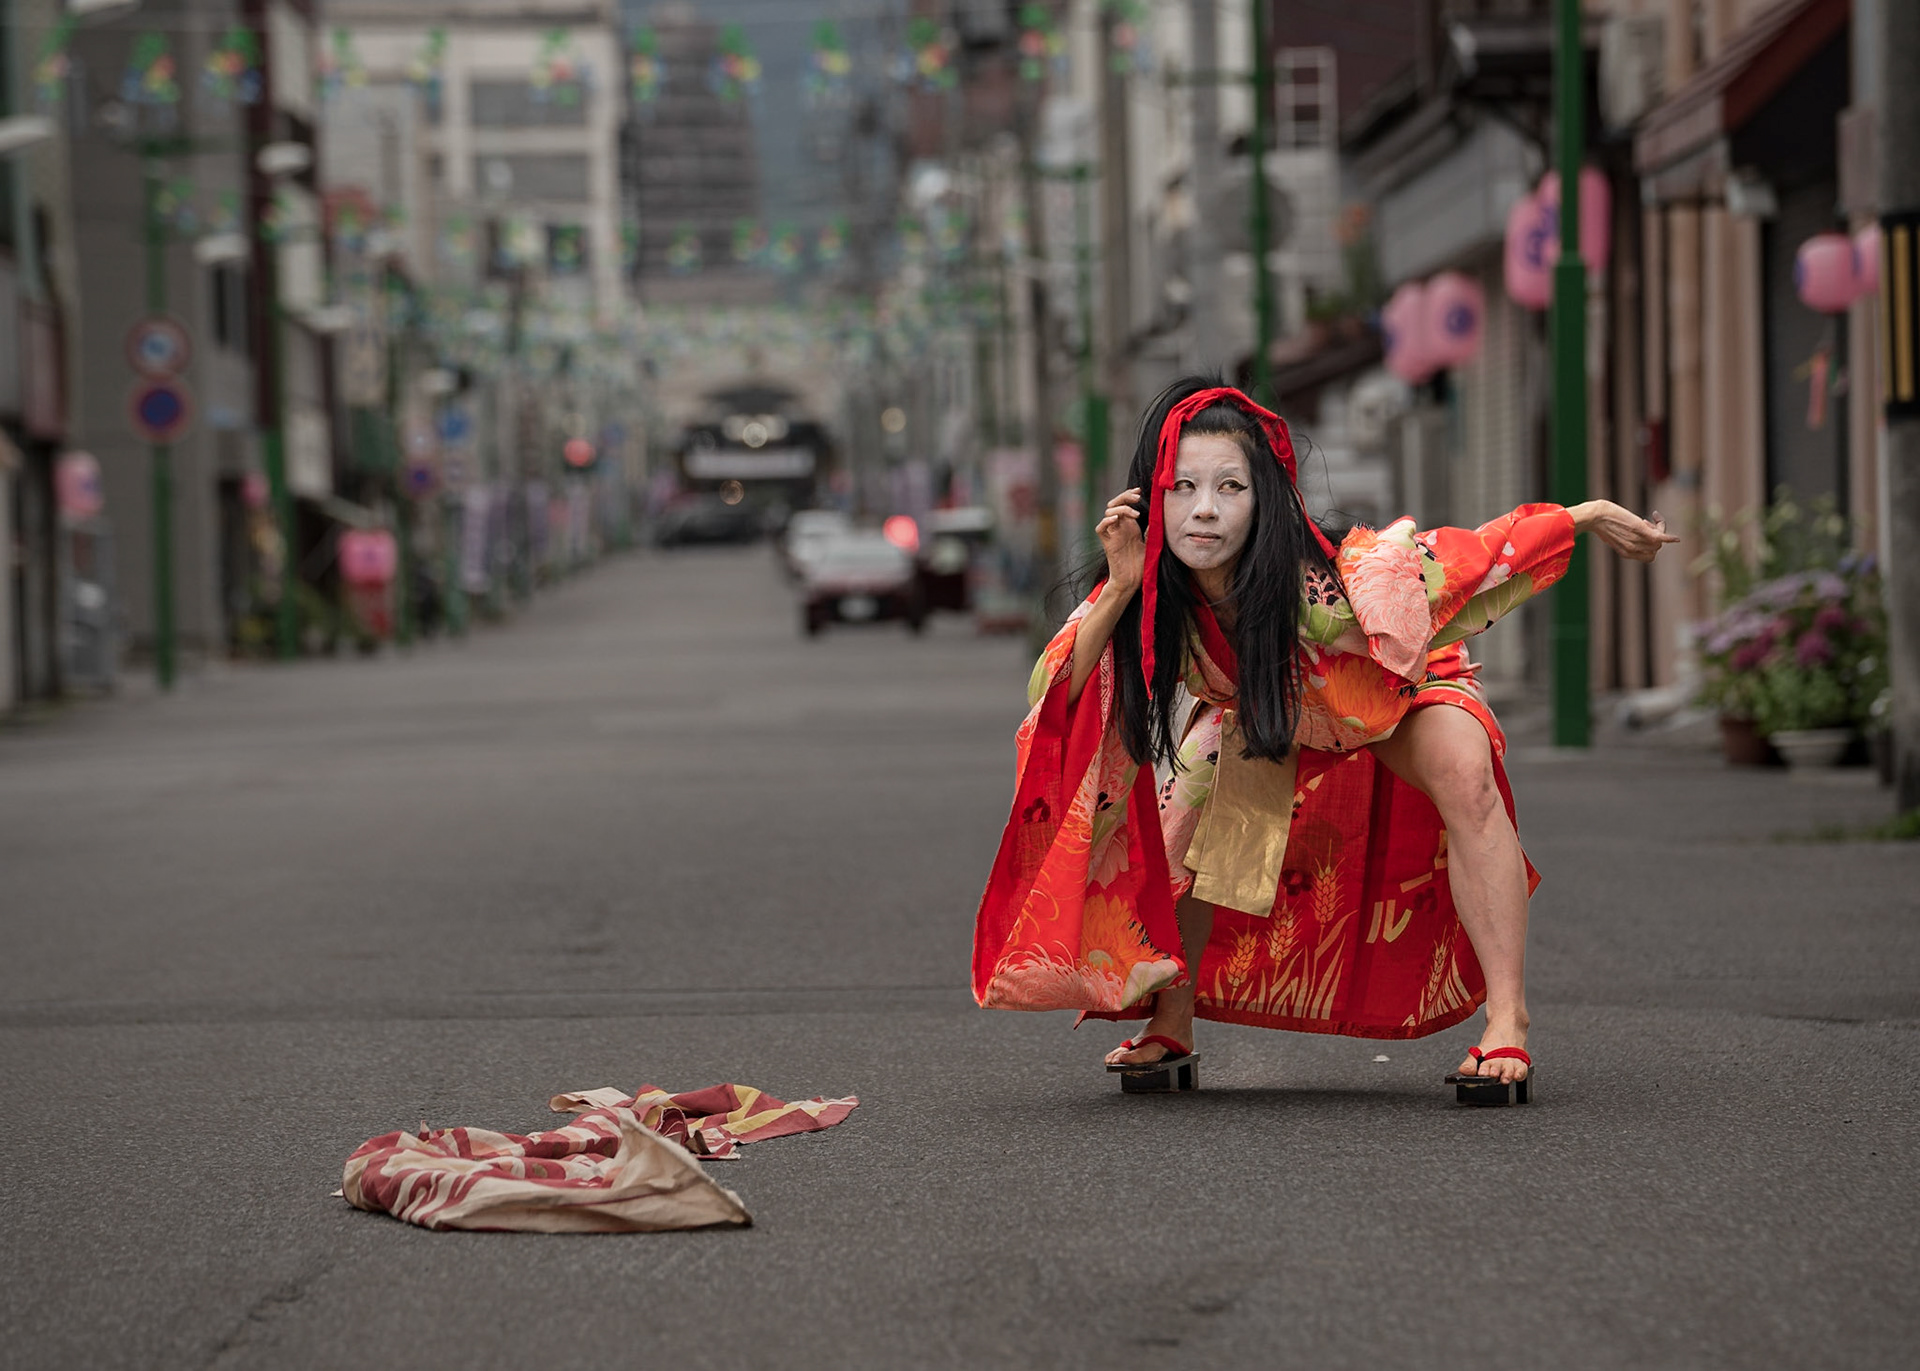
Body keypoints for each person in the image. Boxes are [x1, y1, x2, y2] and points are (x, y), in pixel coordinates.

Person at [971, 378, 1677, 1089]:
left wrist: (1580, 516)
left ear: (1265, 499)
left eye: (1230, 487)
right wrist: (1122, 583)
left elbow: (1466, 557)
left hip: (1395, 692)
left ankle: (1507, 1022)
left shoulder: (1333, 585)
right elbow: (1052, 691)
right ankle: (1172, 1021)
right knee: (1183, 810)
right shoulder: (1151, 589)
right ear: (1150, 499)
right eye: (1181, 486)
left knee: (1468, 778)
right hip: (1268, 715)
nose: (1204, 509)